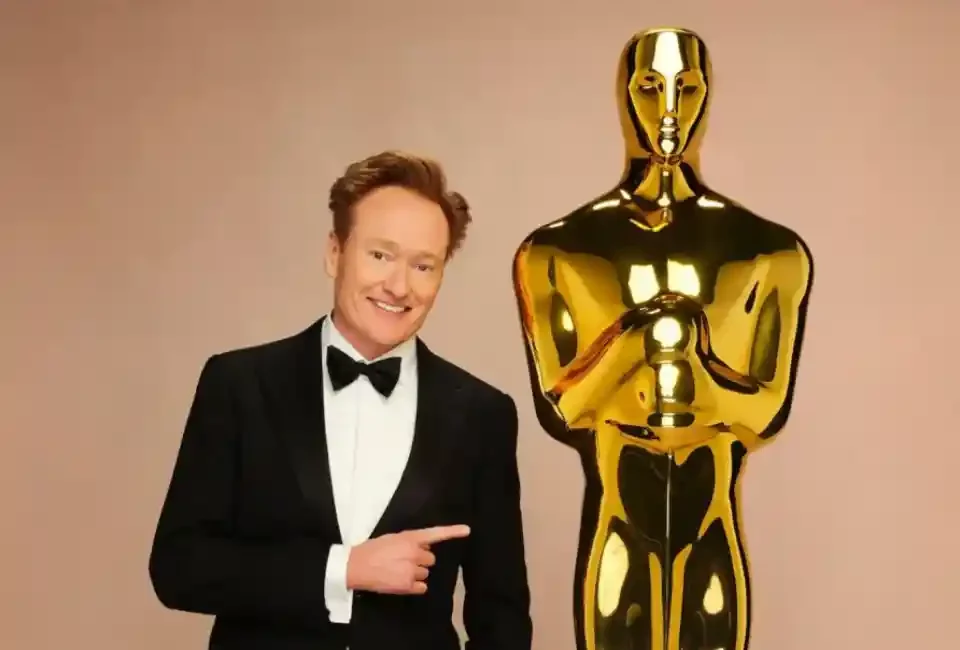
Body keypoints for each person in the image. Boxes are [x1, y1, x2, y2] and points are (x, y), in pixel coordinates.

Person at [148, 151, 533, 650]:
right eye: (380, 256)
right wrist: (342, 568)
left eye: (424, 265)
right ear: (335, 252)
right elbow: (179, 567)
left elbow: (502, 616)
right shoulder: (239, 384)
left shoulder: (483, 414)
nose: (399, 286)